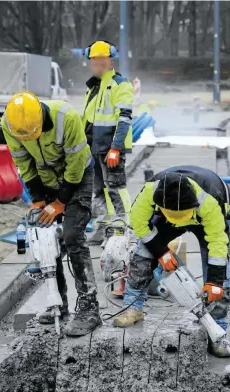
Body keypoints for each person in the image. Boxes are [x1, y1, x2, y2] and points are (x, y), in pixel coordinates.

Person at [1, 91, 101, 337]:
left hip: (77, 178)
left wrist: (61, 202)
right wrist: (37, 200)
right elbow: (23, 163)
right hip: (46, 180)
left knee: (72, 236)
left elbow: (76, 164)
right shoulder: (10, 123)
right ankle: (59, 302)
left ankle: (89, 308)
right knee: (45, 237)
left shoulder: (66, 117)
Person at [113, 165, 230, 358]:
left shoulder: (209, 201)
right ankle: (133, 308)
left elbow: (218, 241)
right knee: (143, 253)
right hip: (168, 217)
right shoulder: (150, 192)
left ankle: (217, 329)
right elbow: (139, 222)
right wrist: (161, 252)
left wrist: (215, 281)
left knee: (219, 275)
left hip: (211, 218)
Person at [82, 40, 133, 245]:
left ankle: (123, 230)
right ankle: (102, 229)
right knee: (98, 191)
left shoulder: (120, 85)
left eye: (102, 63)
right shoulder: (94, 87)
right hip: (93, 148)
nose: (98, 67)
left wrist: (116, 148)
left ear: (111, 62)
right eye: (95, 63)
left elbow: (124, 118)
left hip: (110, 148)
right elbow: (87, 119)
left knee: (115, 188)